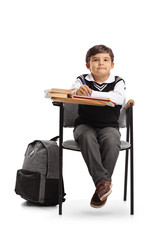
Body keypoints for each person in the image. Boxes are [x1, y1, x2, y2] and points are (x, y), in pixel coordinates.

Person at [71, 45, 126, 208]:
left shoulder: (118, 81)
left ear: (112, 65)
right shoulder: (81, 80)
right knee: (87, 137)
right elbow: (72, 93)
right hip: (84, 125)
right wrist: (78, 91)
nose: (100, 63)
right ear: (88, 65)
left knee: (111, 140)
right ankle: (103, 183)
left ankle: (101, 186)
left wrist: (92, 94)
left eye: (105, 60)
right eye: (95, 60)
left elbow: (117, 99)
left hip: (109, 126)